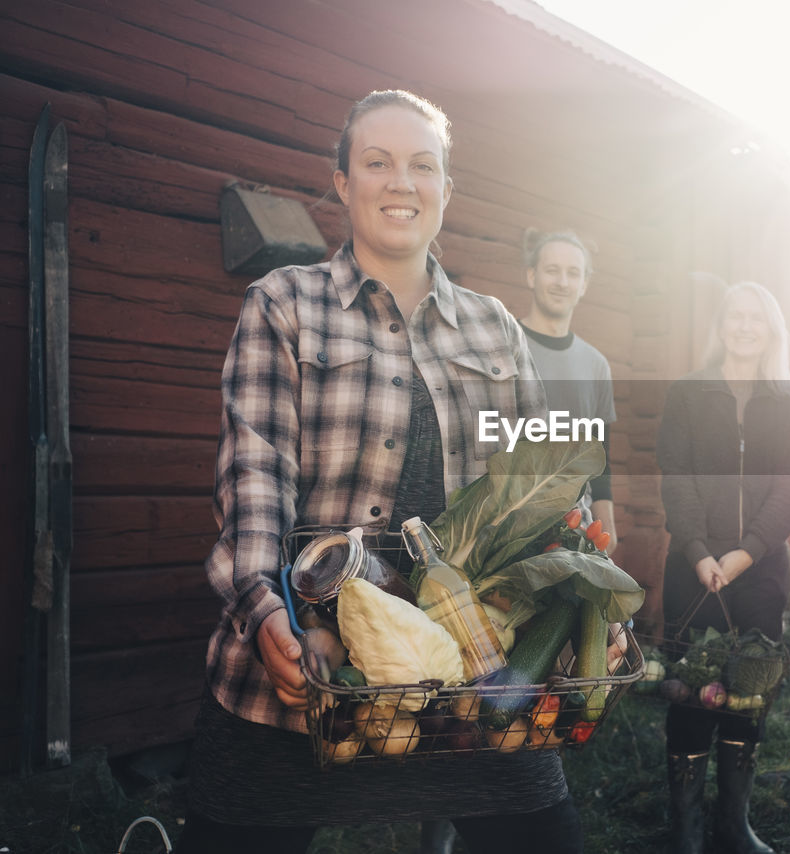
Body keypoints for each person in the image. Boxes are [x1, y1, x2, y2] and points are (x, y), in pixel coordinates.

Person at [175, 90, 584, 854]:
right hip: (306, 675)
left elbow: (545, 482)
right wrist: (264, 608)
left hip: (468, 674)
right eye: (377, 162)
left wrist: (582, 577)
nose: (402, 182)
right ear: (342, 182)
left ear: (446, 191)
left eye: (422, 166)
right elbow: (255, 474)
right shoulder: (284, 306)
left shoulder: (496, 328)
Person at [656, 282, 790, 854]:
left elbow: (789, 489)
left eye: (757, 319)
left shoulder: (785, 402)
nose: (745, 327)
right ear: (720, 326)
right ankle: (687, 832)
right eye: (736, 317)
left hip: (761, 570)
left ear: (771, 332)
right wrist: (699, 551)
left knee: (750, 692)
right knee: (691, 691)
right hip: (692, 568)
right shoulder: (687, 394)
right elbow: (676, 475)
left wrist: (744, 553)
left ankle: (733, 827)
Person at [518, 228, 619, 552]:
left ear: (584, 285)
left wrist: (608, 531)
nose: (562, 282)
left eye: (572, 273)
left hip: (577, 533)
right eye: (552, 270)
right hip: (507, 532)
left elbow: (599, 458)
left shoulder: (596, 365)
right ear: (532, 276)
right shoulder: (503, 348)